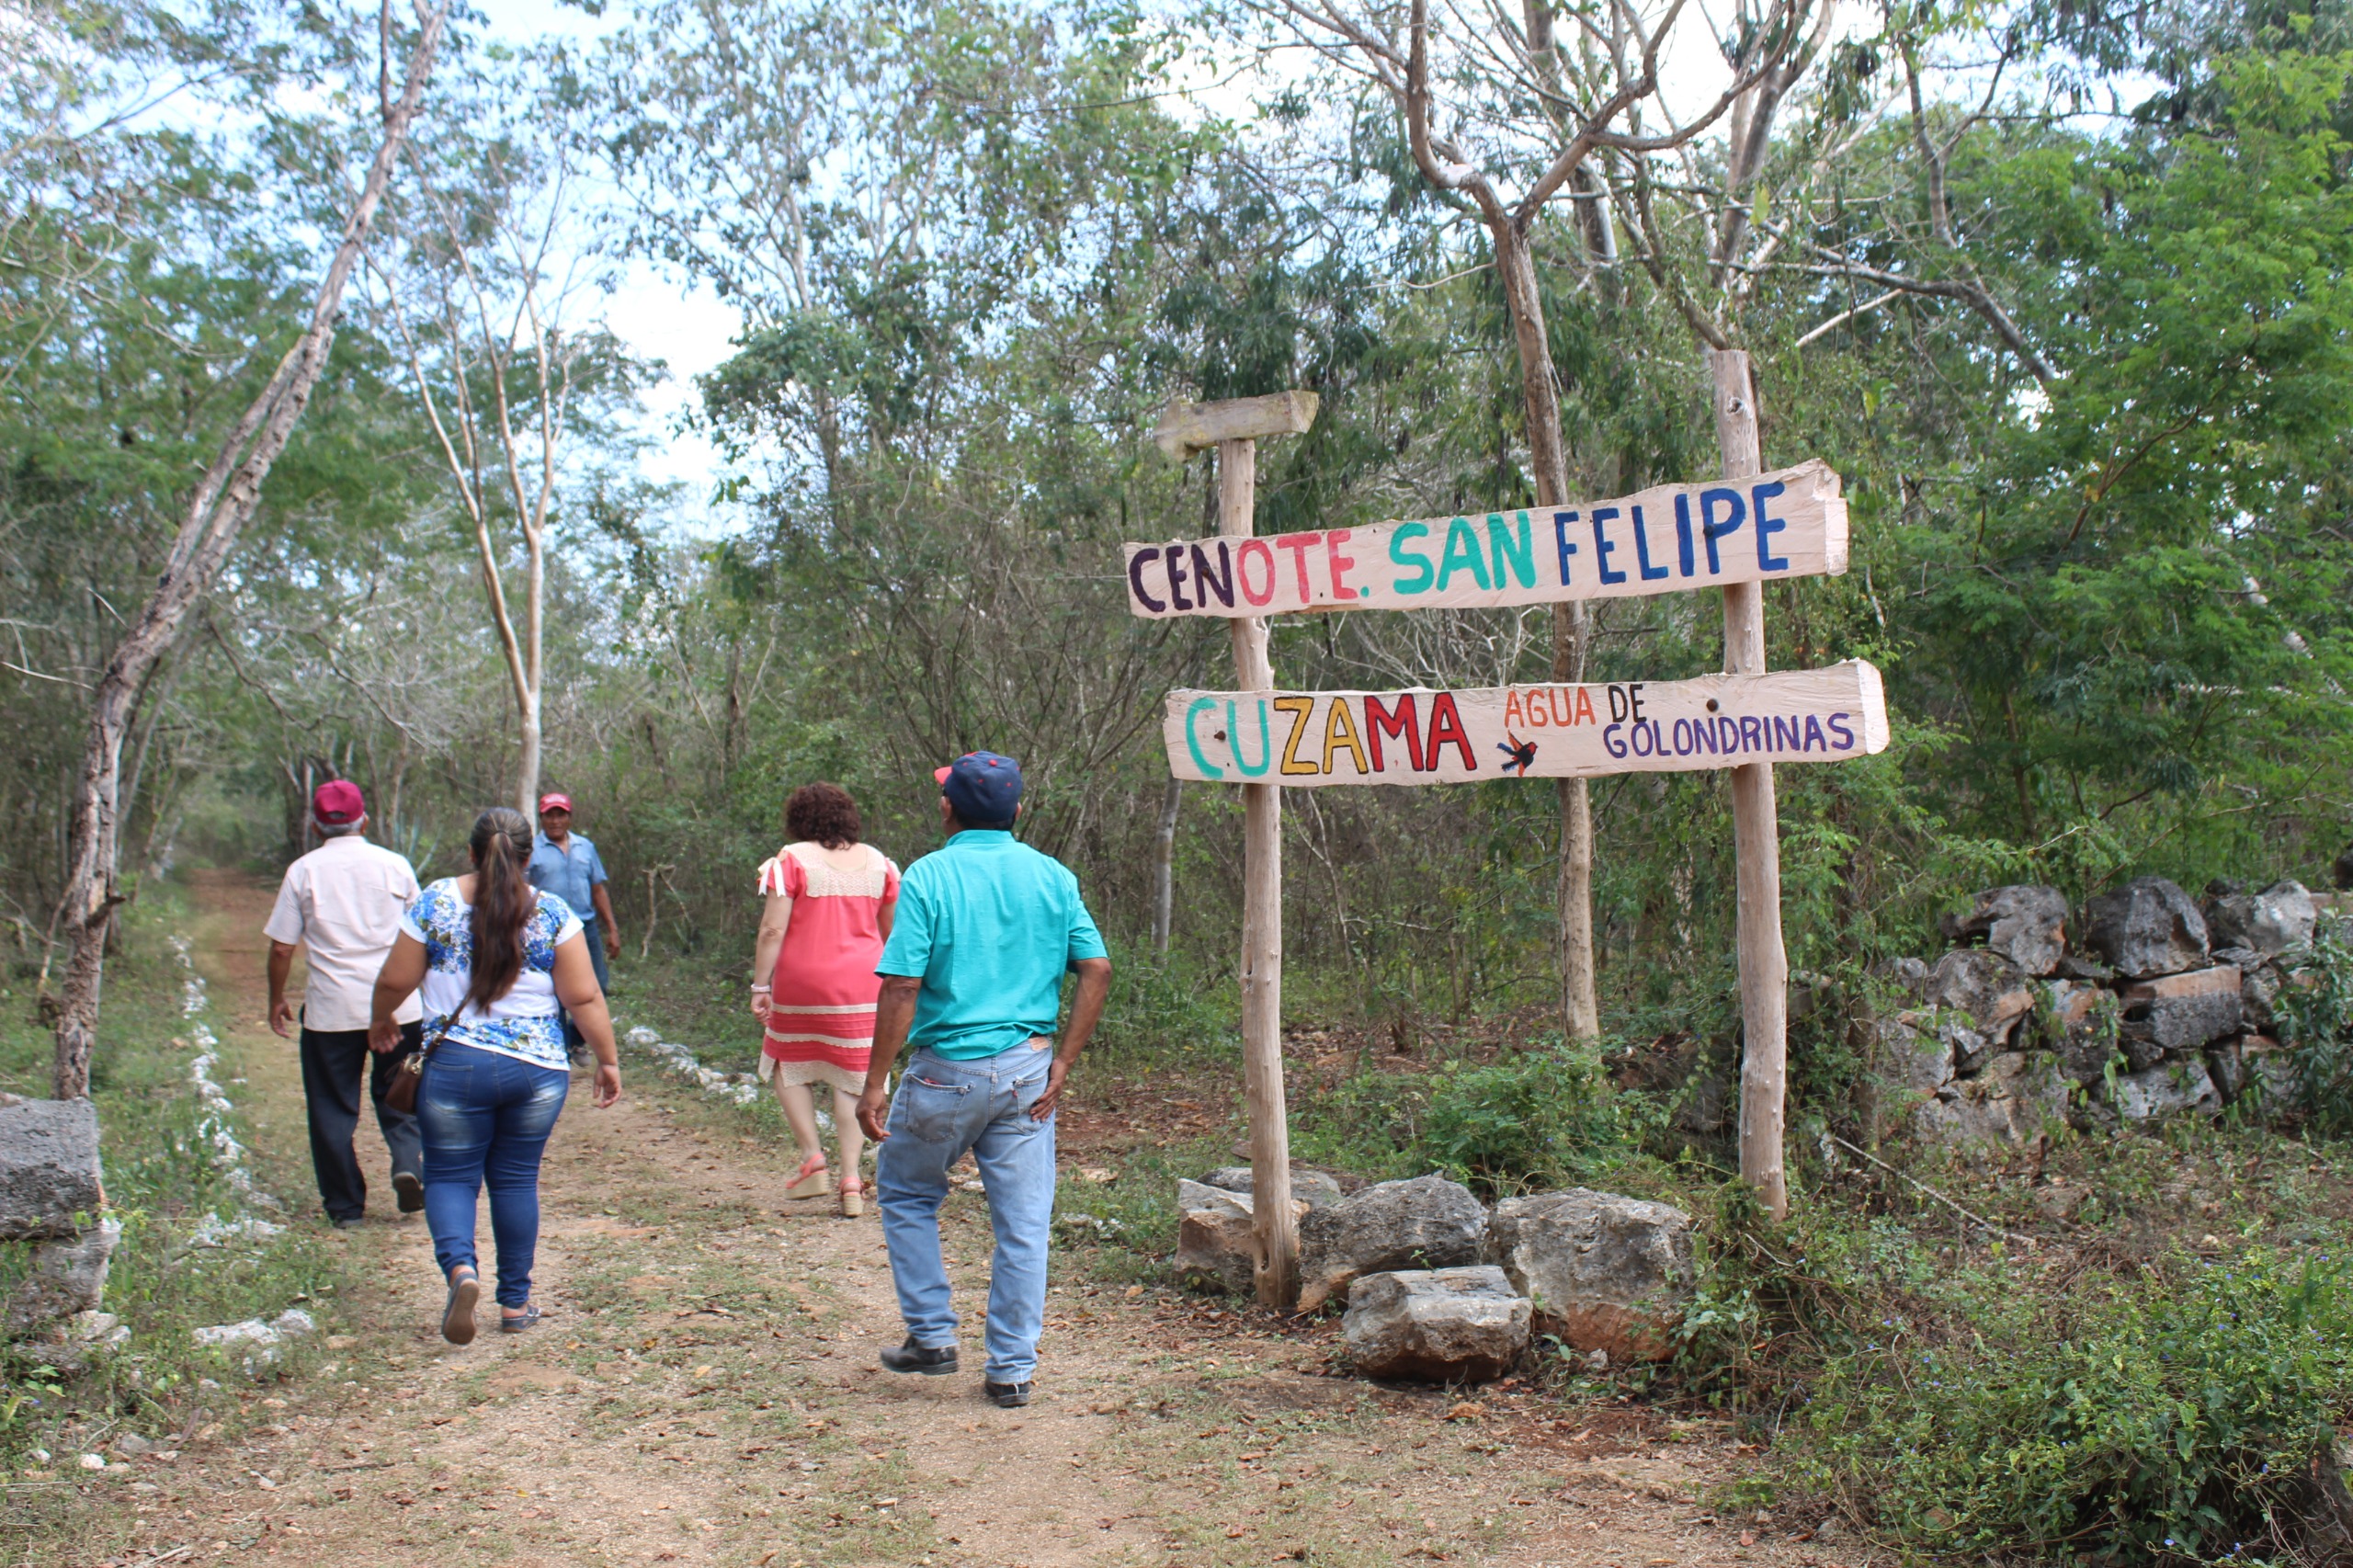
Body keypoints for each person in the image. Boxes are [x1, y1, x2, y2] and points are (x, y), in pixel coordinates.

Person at [857, 752, 1112, 1409]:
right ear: (1018, 811)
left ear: (947, 808)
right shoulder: (1053, 876)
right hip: (1030, 1071)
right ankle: (1012, 1371)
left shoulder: (929, 875)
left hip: (946, 1072)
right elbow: (1097, 968)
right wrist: (1064, 1061)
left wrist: (875, 1082)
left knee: (909, 1194)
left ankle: (934, 1336)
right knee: (1024, 1224)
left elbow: (904, 985)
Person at [370, 806, 622, 1346]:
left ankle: (462, 1271)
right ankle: (515, 1304)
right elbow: (582, 995)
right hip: (536, 1074)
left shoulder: (436, 899)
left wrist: (380, 1018)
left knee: (451, 1176)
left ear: (470, 853)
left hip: (455, 1067)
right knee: (514, 1179)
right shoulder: (553, 912)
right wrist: (607, 1058)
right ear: (529, 859)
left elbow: (395, 979)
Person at [263, 780, 425, 1229]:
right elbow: (423, 937)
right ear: (365, 820)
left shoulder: (303, 871)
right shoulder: (396, 866)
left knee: (332, 1106)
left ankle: (346, 1206)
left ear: (316, 826)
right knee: (401, 1090)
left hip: (332, 1012)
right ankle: (408, 1160)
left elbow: (281, 949)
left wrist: (277, 998)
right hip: (399, 1007)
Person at [751, 783, 900, 1218]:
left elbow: (772, 930)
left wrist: (761, 986)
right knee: (852, 1076)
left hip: (803, 981)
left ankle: (812, 1157)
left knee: (787, 1061)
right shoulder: (880, 864)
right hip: (864, 984)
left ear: (799, 819)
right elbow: (892, 932)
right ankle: (851, 1181)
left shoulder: (791, 860)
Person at [527, 791, 620, 1061]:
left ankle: (575, 1039)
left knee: (598, 985)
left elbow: (597, 889)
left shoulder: (585, 847)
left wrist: (612, 929)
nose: (555, 821)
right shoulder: (532, 851)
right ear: (542, 817)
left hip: (584, 927)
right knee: (553, 992)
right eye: (549, 815)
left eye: (560, 815)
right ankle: (559, 1049)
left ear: (569, 817)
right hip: (545, 931)